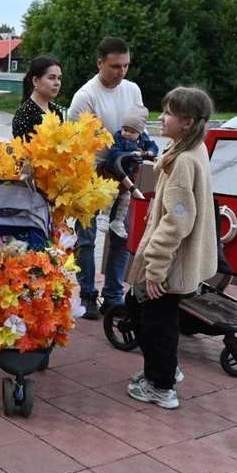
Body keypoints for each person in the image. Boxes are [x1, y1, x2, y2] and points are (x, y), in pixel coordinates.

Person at [125, 86, 216, 409]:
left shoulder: (182, 163)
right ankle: (163, 371)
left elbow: (177, 221)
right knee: (138, 306)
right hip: (177, 259)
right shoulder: (191, 151)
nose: (160, 118)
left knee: (156, 322)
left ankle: (161, 386)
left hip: (172, 261)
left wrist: (156, 268)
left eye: (167, 113)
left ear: (187, 122)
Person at [68, 37, 144, 319]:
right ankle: (88, 296)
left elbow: (139, 130)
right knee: (86, 239)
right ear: (100, 63)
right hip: (91, 176)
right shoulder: (85, 96)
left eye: (125, 65)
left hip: (124, 177)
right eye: (114, 66)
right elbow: (76, 146)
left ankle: (113, 297)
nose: (121, 72)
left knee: (121, 237)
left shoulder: (133, 90)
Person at [106, 105, 159, 239]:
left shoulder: (143, 139)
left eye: (132, 132)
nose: (127, 134)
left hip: (127, 176)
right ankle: (104, 216)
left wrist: (151, 152)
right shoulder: (118, 137)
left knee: (126, 197)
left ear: (139, 133)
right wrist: (130, 153)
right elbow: (115, 152)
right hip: (114, 173)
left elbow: (153, 146)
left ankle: (117, 222)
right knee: (112, 193)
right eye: (125, 130)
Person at [12, 55, 65, 140]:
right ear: (35, 81)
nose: (57, 83)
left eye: (59, 78)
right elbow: (24, 150)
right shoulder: (24, 115)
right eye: (51, 78)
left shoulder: (55, 111)